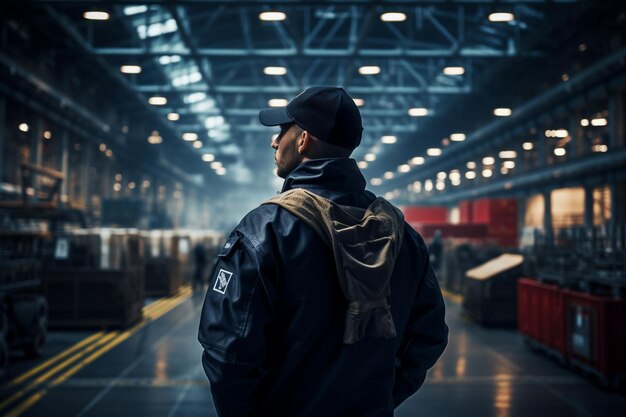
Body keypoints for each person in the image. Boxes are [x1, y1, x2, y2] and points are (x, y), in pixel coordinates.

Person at [198, 86, 448, 417]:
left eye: (282, 131)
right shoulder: (402, 234)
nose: (274, 141)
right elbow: (428, 336)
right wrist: (381, 396)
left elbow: (228, 351)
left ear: (303, 140)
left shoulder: (266, 229)